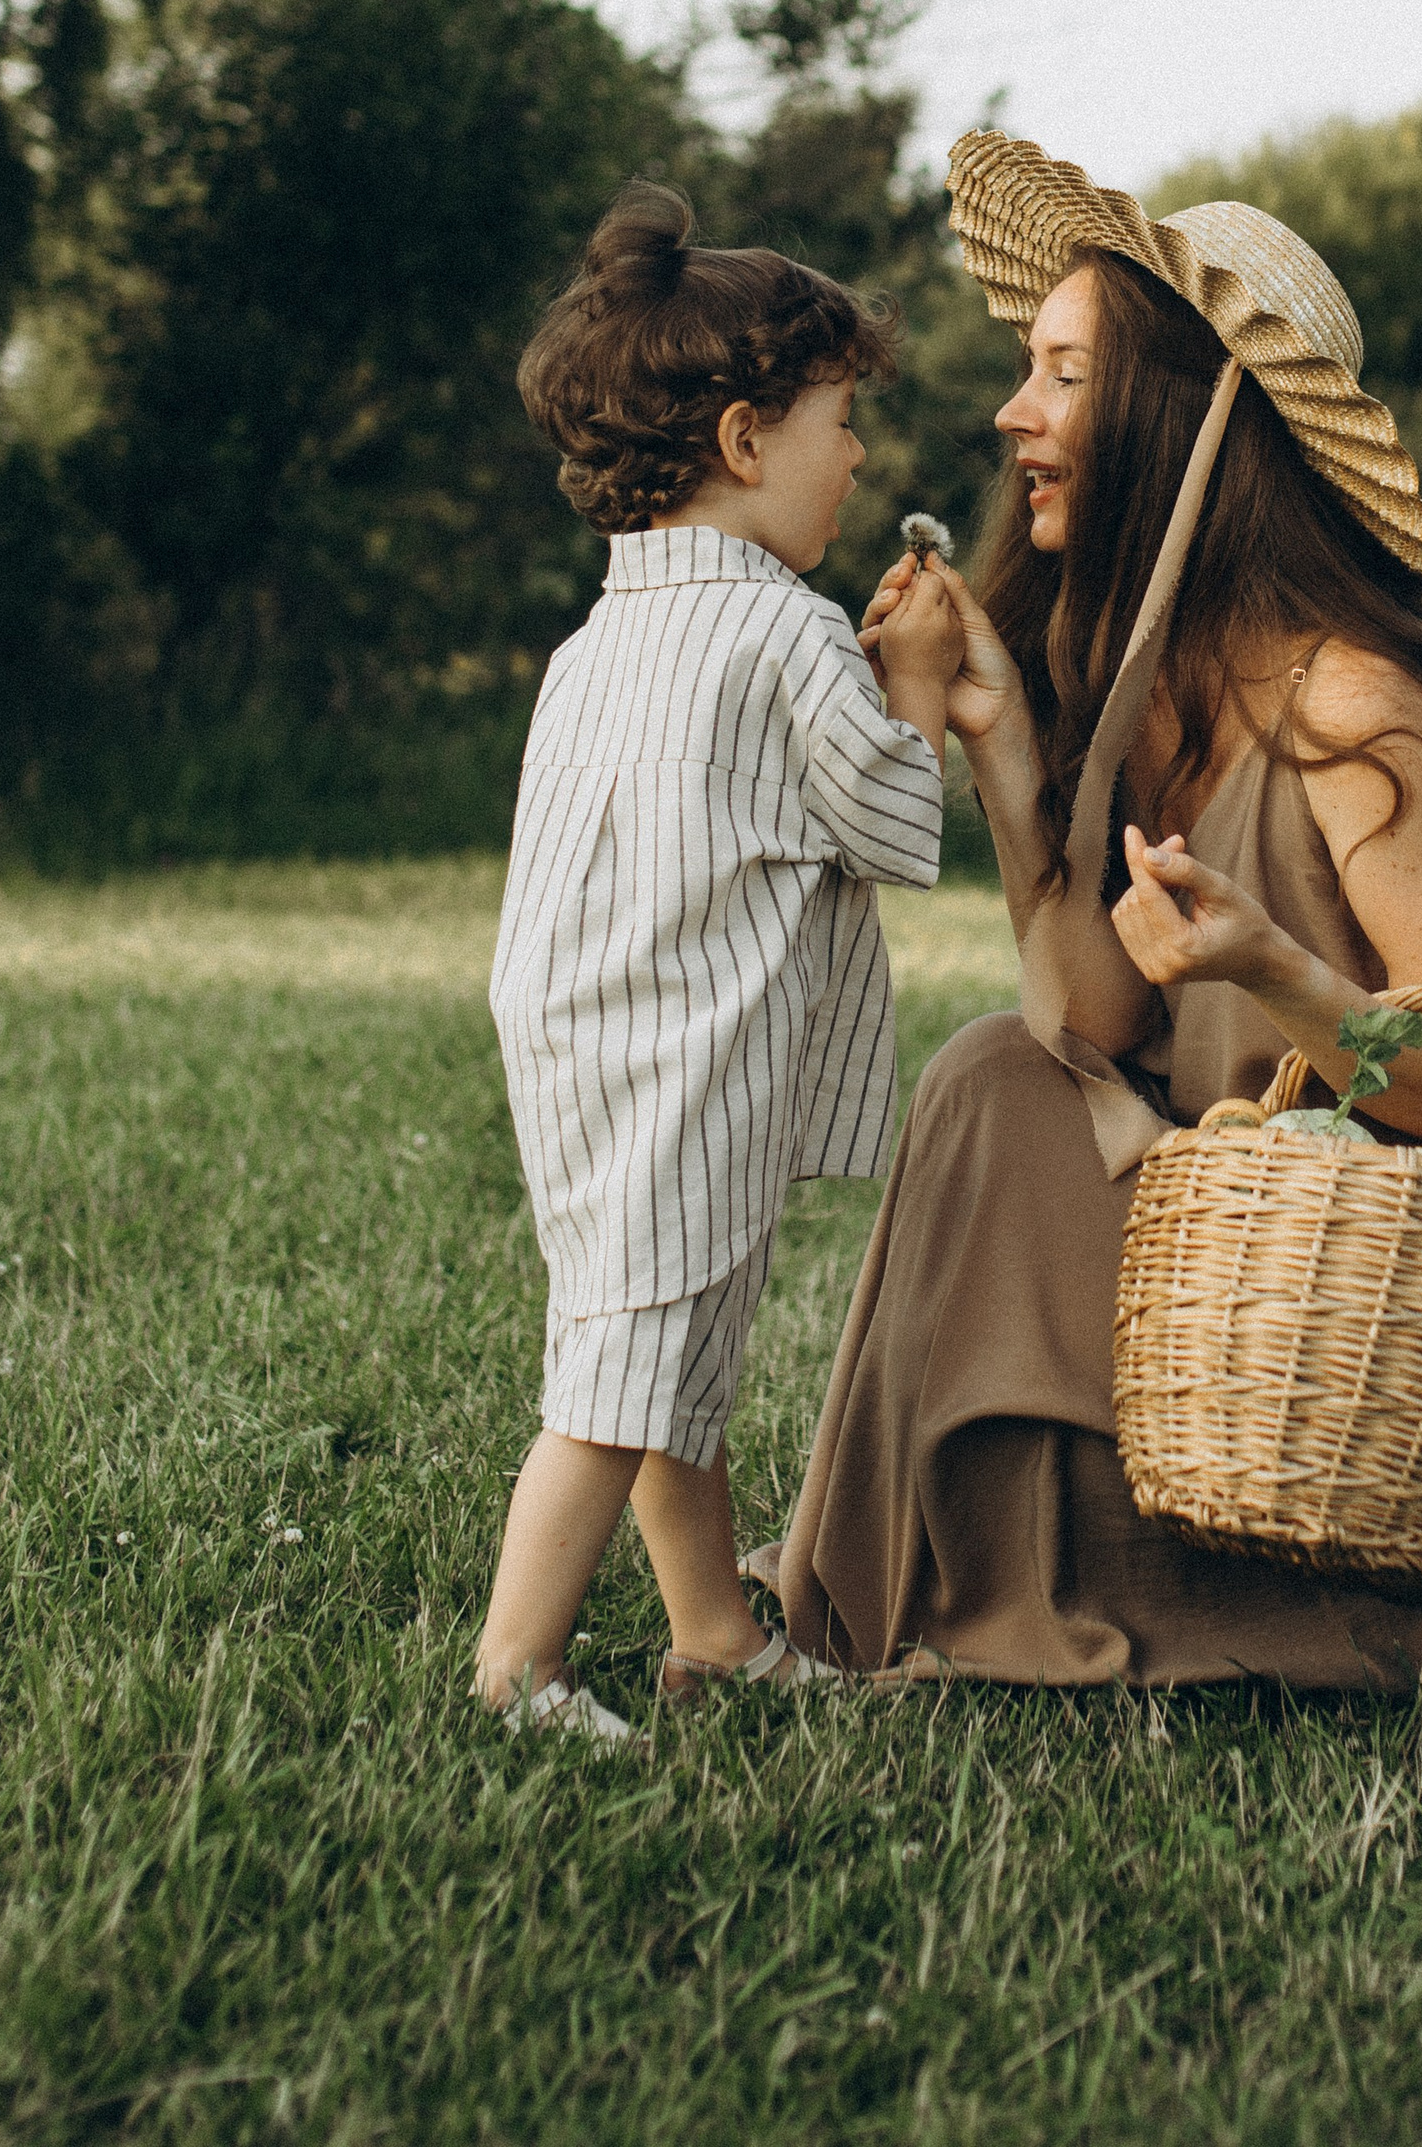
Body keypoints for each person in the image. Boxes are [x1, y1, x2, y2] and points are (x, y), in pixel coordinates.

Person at [757, 133, 1422, 1687]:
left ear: (1175, 415)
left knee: (991, 1093)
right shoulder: (1148, 691)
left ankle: (1010, 1564)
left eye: (1062, 374)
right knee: (986, 1073)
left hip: (1360, 1319)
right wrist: (1006, 743)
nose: (1014, 412)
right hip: (1206, 1253)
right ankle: (943, 1554)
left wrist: (1275, 966)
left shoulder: (1356, 706)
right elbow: (1088, 1026)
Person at [475, 183, 962, 1735]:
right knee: (620, 1378)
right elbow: (887, 817)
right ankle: (515, 1668)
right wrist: (924, 688)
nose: (861, 455)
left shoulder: (596, 641)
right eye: (839, 421)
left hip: (579, 1037)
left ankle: (715, 1631)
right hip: (687, 1051)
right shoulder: (783, 634)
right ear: (747, 439)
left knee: (660, 1345)